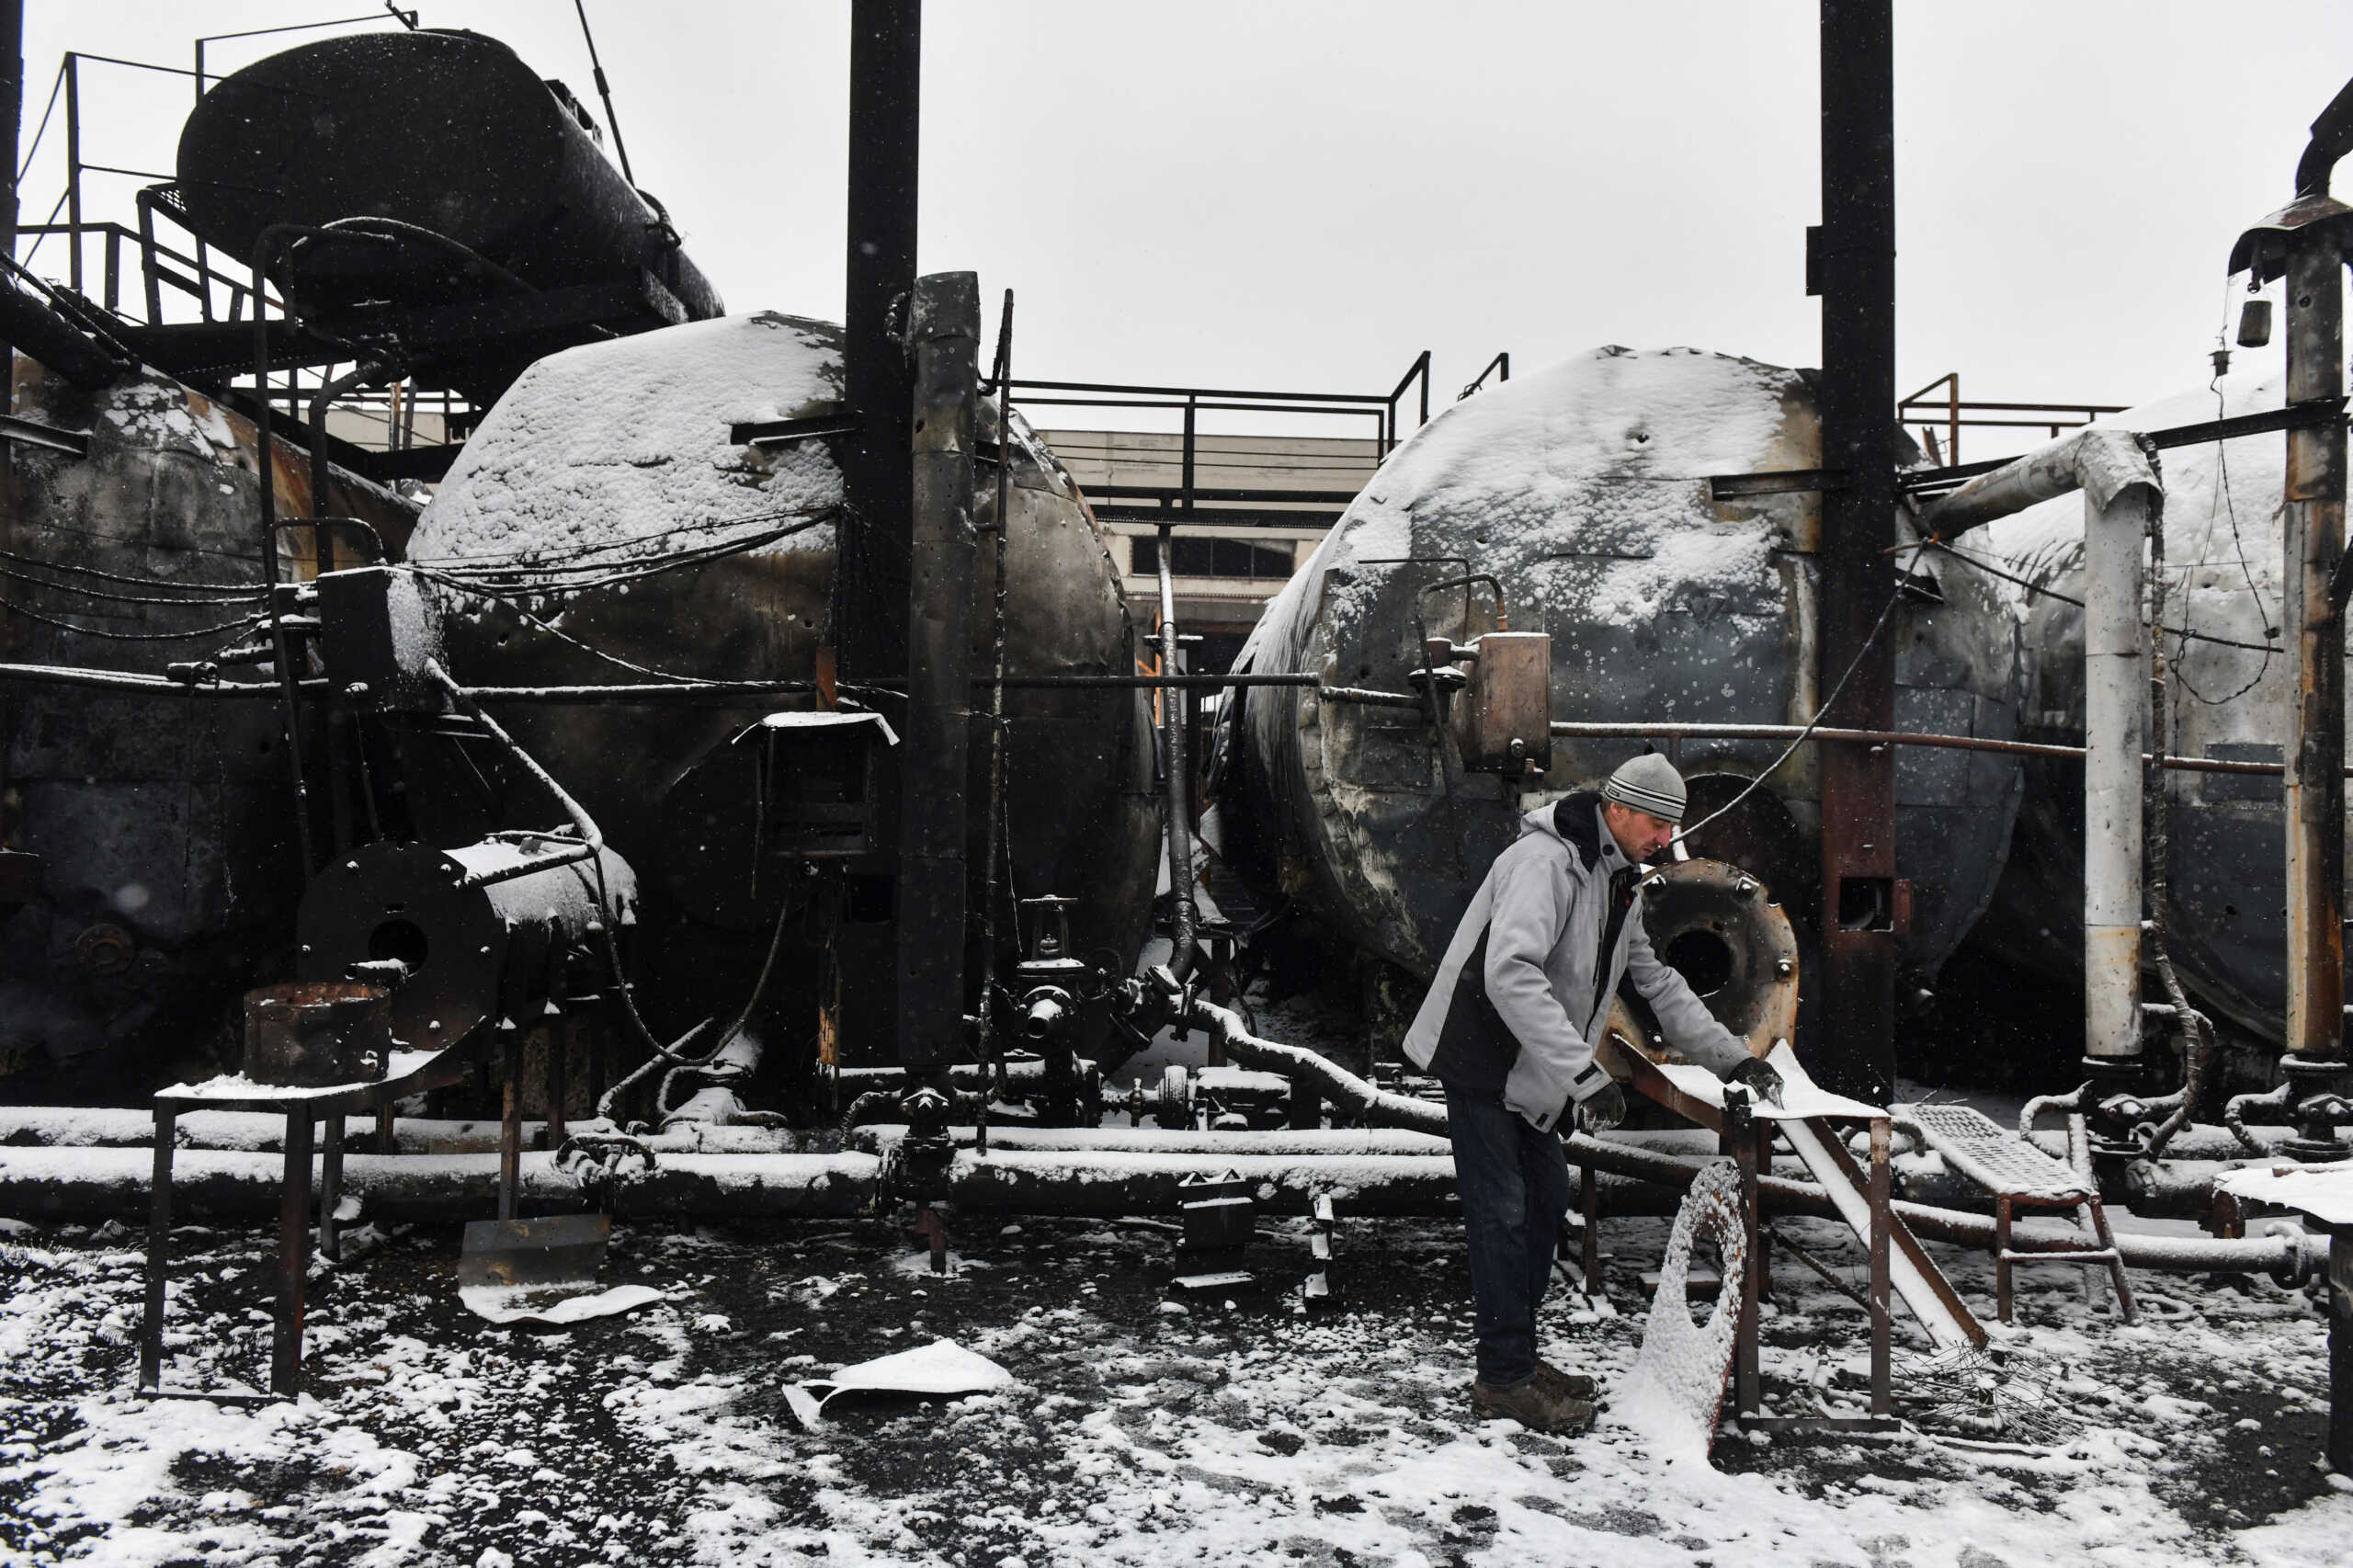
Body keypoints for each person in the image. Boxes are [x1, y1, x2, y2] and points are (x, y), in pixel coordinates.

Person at [1401, 753, 1783, 1434]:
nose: (1667, 840)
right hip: (1484, 1059)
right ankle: (1503, 1379)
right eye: (1659, 824)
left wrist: (1733, 1060)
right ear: (1621, 809)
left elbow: (1658, 985)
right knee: (1503, 1217)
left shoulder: (1617, 881)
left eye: (1672, 827)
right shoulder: (1546, 864)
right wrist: (1585, 1076)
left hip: (1535, 1067)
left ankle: (1516, 1358)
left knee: (1544, 1207)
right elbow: (1510, 975)